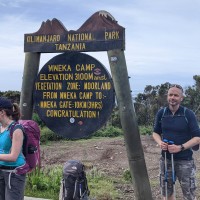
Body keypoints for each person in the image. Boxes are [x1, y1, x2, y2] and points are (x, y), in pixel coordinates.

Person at [152, 84, 200, 200]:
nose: (172, 98)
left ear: (181, 98)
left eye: (176, 95)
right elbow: (155, 133)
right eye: (170, 95)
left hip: (185, 161)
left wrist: (181, 147)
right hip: (166, 159)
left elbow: (197, 138)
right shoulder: (162, 113)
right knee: (167, 193)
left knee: (188, 194)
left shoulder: (188, 114)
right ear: (167, 96)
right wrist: (160, 143)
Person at [0, 97, 26, 200]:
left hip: (14, 174)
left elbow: (13, 156)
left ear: (2, 112)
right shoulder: (1, 128)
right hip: (1, 172)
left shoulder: (16, 129)